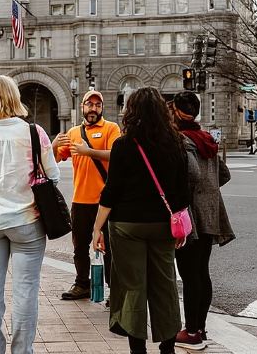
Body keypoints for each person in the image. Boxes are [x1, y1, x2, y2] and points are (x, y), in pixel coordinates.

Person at [0, 75, 60, 354]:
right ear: (14, 97)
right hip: (27, 221)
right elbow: (52, 175)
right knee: (26, 290)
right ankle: (22, 350)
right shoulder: (33, 132)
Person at [93, 87, 190, 354]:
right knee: (165, 285)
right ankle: (167, 347)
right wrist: (180, 225)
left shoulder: (123, 145)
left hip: (127, 225)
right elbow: (183, 190)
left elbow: (111, 191)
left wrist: (97, 227)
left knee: (132, 286)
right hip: (163, 224)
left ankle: (138, 349)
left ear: (131, 111)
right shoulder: (176, 143)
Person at [169, 92, 235, 350]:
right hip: (211, 213)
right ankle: (201, 327)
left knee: (189, 274)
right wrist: (209, 191)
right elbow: (224, 175)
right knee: (201, 272)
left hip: (190, 215)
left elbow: (191, 175)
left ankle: (192, 331)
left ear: (176, 112)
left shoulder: (180, 140)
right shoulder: (206, 138)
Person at [52, 90, 121, 301]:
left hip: (106, 202)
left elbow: (116, 155)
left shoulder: (111, 128)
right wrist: (54, 145)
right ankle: (82, 284)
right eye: (89, 104)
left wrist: (88, 152)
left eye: (97, 105)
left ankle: (114, 290)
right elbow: (55, 160)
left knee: (110, 248)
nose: (93, 109)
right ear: (82, 107)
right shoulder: (74, 132)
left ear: (102, 108)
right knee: (79, 247)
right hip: (80, 200)